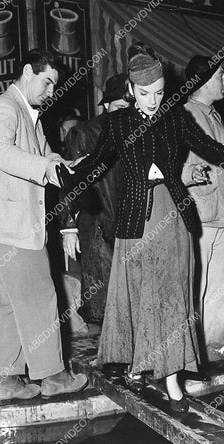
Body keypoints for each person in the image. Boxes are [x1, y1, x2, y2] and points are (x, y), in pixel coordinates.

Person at [58, 43, 224, 414]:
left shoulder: (175, 118)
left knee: (173, 299)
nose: (152, 100)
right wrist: (65, 184)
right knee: (139, 297)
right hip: (135, 223)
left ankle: (172, 381)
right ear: (131, 91)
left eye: (159, 93)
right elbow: (93, 167)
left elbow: (216, 150)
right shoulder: (118, 123)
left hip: (174, 220)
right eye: (144, 94)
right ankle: (137, 365)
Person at [0, 49, 87, 402]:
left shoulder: (30, 116)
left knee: (10, 303)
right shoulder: (4, 108)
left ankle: (6, 380)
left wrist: (65, 164)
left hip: (9, 224)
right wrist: (45, 168)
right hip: (12, 225)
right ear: (27, 71)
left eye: (54, 84)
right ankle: (52, 375)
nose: (51, 91)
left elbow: (46, 156)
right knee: (41, 296)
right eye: (47, 81)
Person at [181, 55, 224, 372]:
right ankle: (192, 357)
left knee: (219, 288)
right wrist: (196, 175)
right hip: (199, 214)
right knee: (198, 287)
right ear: (204, 81)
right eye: (221, 76)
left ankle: (216, 353)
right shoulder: (187, 115)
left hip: (220, 213)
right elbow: (177, 169)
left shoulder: (215, 117)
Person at [63, 73, 130, 326]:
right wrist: (69, 225)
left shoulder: (136, 130)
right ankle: (112, 359)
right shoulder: (85, 132)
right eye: (121, 107)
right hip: (98, 223)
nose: (127, 112)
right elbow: (69, 180)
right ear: (107, 104)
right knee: (105, 300)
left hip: (128, 222)